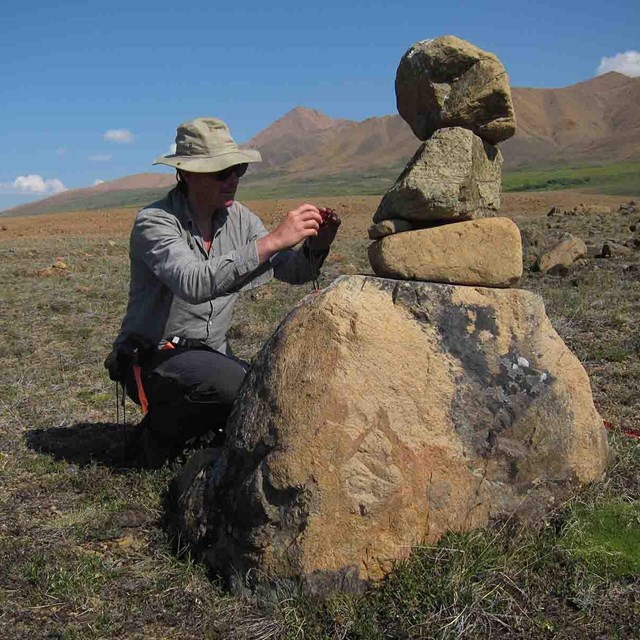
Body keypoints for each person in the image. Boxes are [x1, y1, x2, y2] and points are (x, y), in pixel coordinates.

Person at [105, 116, 340, 466]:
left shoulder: (240, 219)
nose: (232, 180)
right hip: (152, 358)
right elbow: (193, 282)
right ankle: (153, 440)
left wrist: (317, 246)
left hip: (210, 356)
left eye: (238, 170)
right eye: (221, 172)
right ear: (186, 173)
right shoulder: (155, 222)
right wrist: (272, 240)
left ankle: (197, 430)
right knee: (237, 387)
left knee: (263, 388)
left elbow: (294, 271)